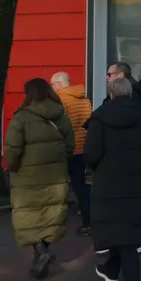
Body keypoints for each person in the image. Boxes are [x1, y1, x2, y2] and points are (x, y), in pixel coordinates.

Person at [85, 74, 141, 281]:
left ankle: (133, 280)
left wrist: (100, 167)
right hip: (136, 181)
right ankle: (110, 270)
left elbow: (91, 153)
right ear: (129, 93)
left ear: (110, 93)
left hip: (108, 182)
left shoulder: (99, 119)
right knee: (128, 227)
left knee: (117, 230)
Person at [4, 77, 74, 279]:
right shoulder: (60, 115)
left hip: (27, 177)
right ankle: (41, 254)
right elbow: (70, 145)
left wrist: (12, 168)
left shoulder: (21, 118)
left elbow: (12, 149)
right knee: (49, 215)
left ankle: (40, 252)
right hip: (55, 176)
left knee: (29, 217)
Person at [49, 70, 93, 236]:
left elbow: (58, 126)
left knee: (58, 186)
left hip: (66, 148)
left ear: (60, 84)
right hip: (82, 148)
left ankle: (54, 221)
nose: (52, 88)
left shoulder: (60, 100)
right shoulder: (84, 100)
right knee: (80, 186)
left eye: (52, 84)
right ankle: (88, 220)